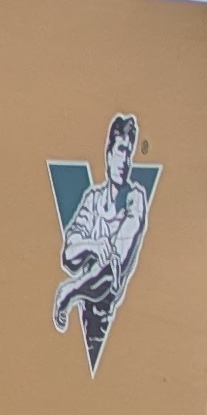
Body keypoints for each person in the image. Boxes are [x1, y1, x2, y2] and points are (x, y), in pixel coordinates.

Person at [52, 113, 152, 371]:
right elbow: (69, 253)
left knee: (110, 271)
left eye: (129, 153)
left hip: (108, 314)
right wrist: (92, 246)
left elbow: (117, 259)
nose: (125, 161)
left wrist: (71, 290)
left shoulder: (136, 199)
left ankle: (68, 292)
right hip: (87, 317)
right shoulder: (93, 199)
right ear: (108, 155)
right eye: (120, 151)